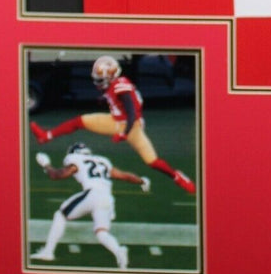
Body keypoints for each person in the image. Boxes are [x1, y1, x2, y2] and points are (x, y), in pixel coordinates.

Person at [29, 54, 196, 194]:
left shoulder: (120, 88)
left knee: (152, 161)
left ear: (111, 76)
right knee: (80, 121)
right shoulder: (116, 84)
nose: (98, 82)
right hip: (116, 121)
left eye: (101, 79)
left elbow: (131, 113)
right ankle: (46, 136)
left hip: (130, 126)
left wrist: (125, 133)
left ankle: (178, 177)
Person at [31, 141, 150, 269]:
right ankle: (119, 251)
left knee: (60, 215)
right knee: (101, 233)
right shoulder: (102, 161)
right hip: (107, 198)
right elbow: (124, 176)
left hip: (92, 194)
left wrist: (46, 165)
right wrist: (142, 181)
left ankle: (48, 252)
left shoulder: (76, 160)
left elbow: (57, 175)